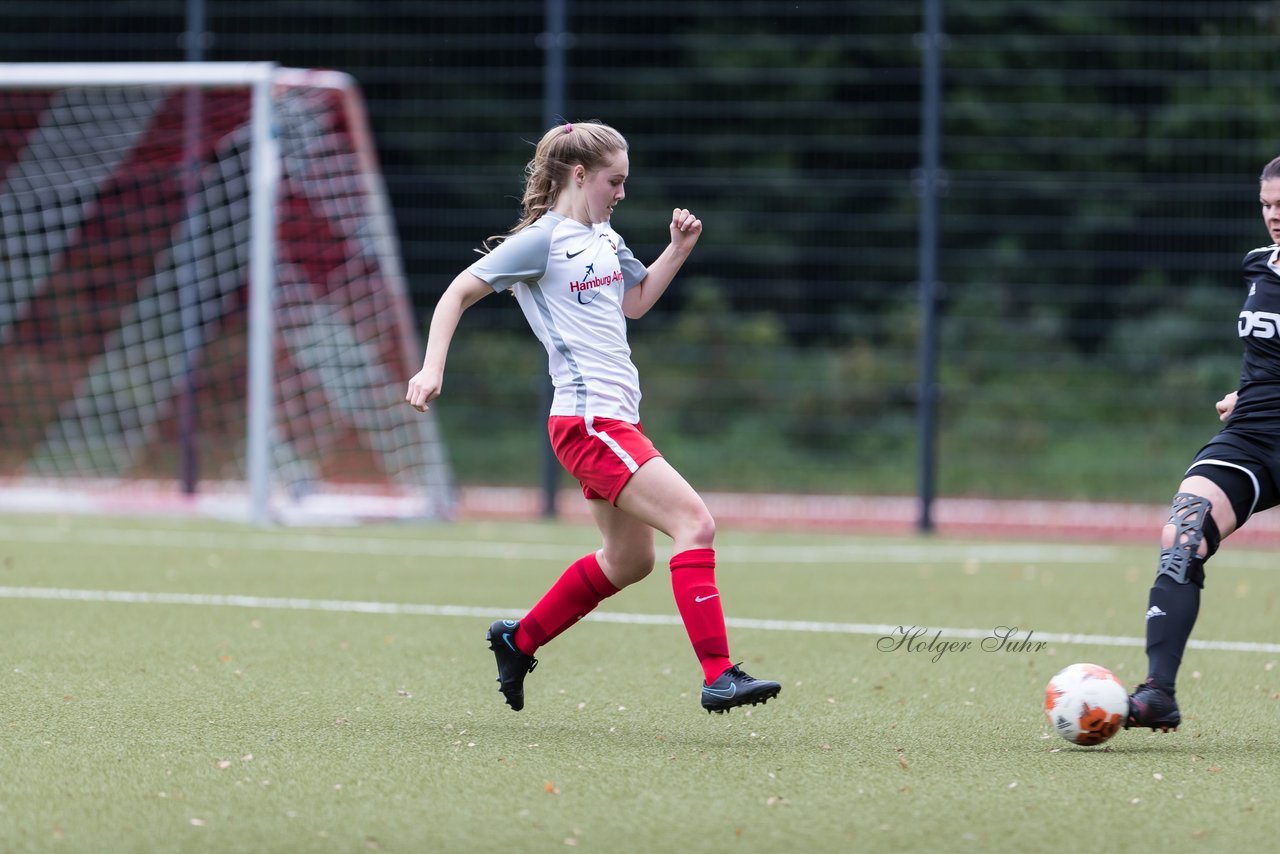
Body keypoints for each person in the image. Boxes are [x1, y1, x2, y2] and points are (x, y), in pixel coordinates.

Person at [405, 120, 781, 715]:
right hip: (589, 423)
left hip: (610, 421)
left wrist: (678, 250)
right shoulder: (541, 242)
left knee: (631, 560)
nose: (622, 192)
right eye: (616, 180)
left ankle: (518, 638)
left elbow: (634, 303)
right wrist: (432, 369)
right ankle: (718, 675)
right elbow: (456, 292)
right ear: (580, 175)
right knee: (695, 523)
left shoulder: (605, 235)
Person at [1127, 153, 1280, 732]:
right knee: (1183, 531)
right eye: (1266, 204)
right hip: (1254, 437)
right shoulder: (1258, 267)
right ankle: (1157, 692)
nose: (1273, 216)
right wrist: (1245, 396)